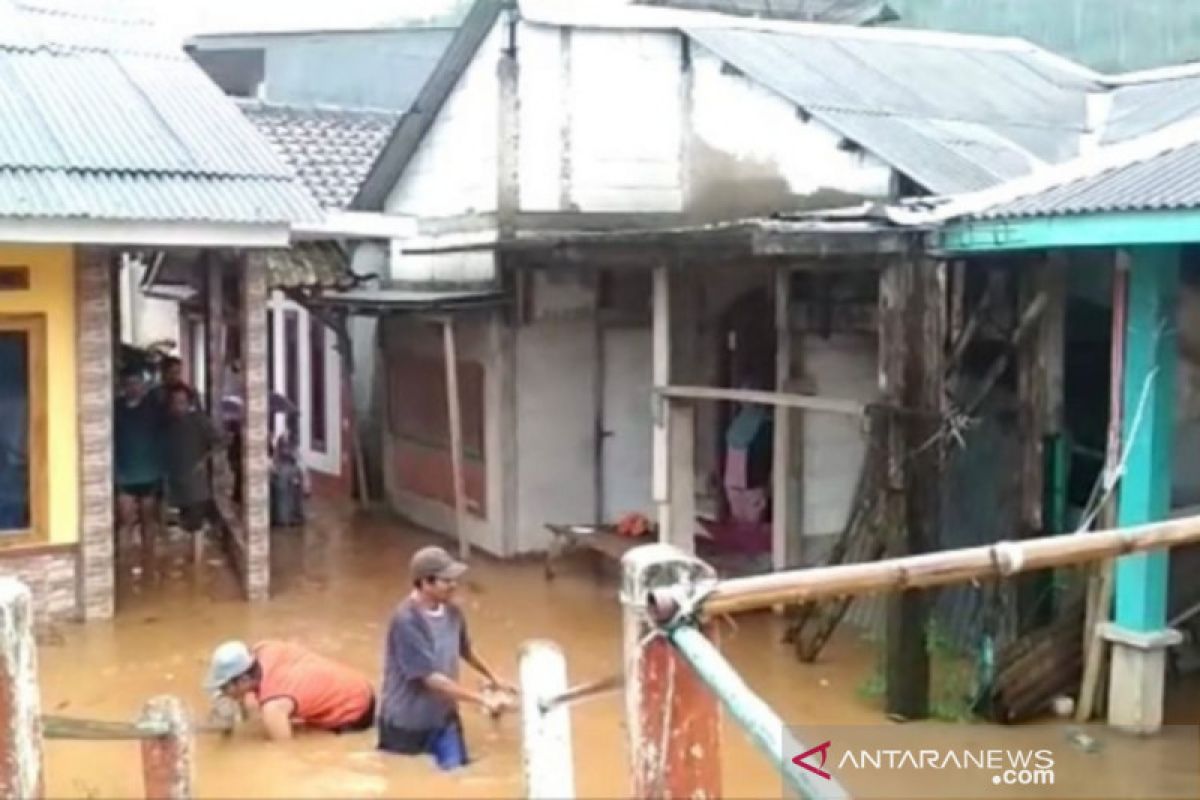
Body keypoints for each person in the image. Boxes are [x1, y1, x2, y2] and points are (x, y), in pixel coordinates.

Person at [378, 546, 516, 770]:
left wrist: (495, 679)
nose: (454, 585)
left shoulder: (453, 612)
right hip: (406, 725)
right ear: (425, 583)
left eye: (454, 579)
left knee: (458, 778)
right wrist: (483, 700)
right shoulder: (406, 621)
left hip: (444, 718)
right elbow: (430, 679)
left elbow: (465, 650)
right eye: (446, 580)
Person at [204, 639, 375, 741]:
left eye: (225, 687)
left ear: (243, 679)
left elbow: (285, 754)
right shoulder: (265, 648)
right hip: (360, 686)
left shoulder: (274, 707)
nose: (223, 693)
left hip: (354, 713)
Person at [113, 366, 163, 577]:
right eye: (129, 384)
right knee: (125, 521)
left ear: (143, 385)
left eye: (137, 383)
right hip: (124, 475)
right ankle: (123, 566)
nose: (133, 388)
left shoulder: (154, 409)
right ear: (123, 386)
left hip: (150, 474)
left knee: (148, 521)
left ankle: (149, 563)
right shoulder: (115, 409)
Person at [162, 385, 221, 554]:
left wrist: (204, 461)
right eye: (174, 403)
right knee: (183, 521)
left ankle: (197, 564)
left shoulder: (199, 421)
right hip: (175, 482)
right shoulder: (166, 423)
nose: (178, 407)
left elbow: (219, 442)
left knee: (196, 523)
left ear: (188, 403)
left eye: (182, 402)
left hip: (196, 482)